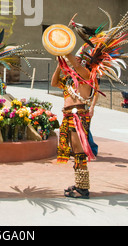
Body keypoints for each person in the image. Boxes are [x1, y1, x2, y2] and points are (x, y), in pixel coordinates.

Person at [51, 53, 97, 199]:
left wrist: (66, 52)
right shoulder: (69, 81)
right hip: (69, 116)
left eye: (76, 59)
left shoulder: (86, 75)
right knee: (75, 151)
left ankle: (83, 188)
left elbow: (76, 66)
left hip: (79, 116)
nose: (73, 63)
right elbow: (53, 83)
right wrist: (59, 66)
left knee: (79, 152)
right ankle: (79, 184)